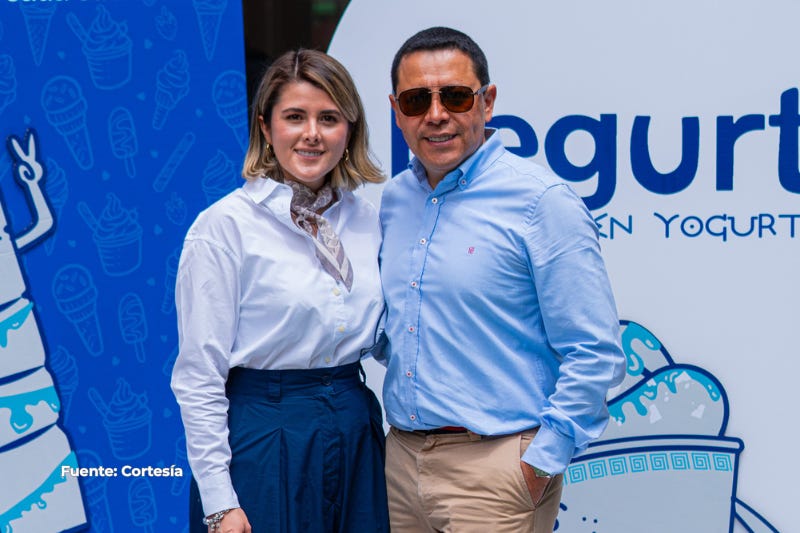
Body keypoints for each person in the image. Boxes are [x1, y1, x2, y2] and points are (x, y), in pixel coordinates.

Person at [378, 26, 627, 532]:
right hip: (400, 463)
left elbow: (595, 351)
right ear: (396, 110)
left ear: (487, 102)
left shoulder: (541, 201)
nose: (436, 114)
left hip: (495, 474)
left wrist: (539, 464)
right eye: (416, 100)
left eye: (455, 96)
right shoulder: (395, 200)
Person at [171, 49, 389, 533]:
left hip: (355, 426)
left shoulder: (368, 220)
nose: (312, 133)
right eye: (294, 117)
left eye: (328, 118)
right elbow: (199, 376)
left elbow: (389, 337)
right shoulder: (224, 227)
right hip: (264, 433)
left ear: (349, 130)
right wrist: (219, 502)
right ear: (266, 128)